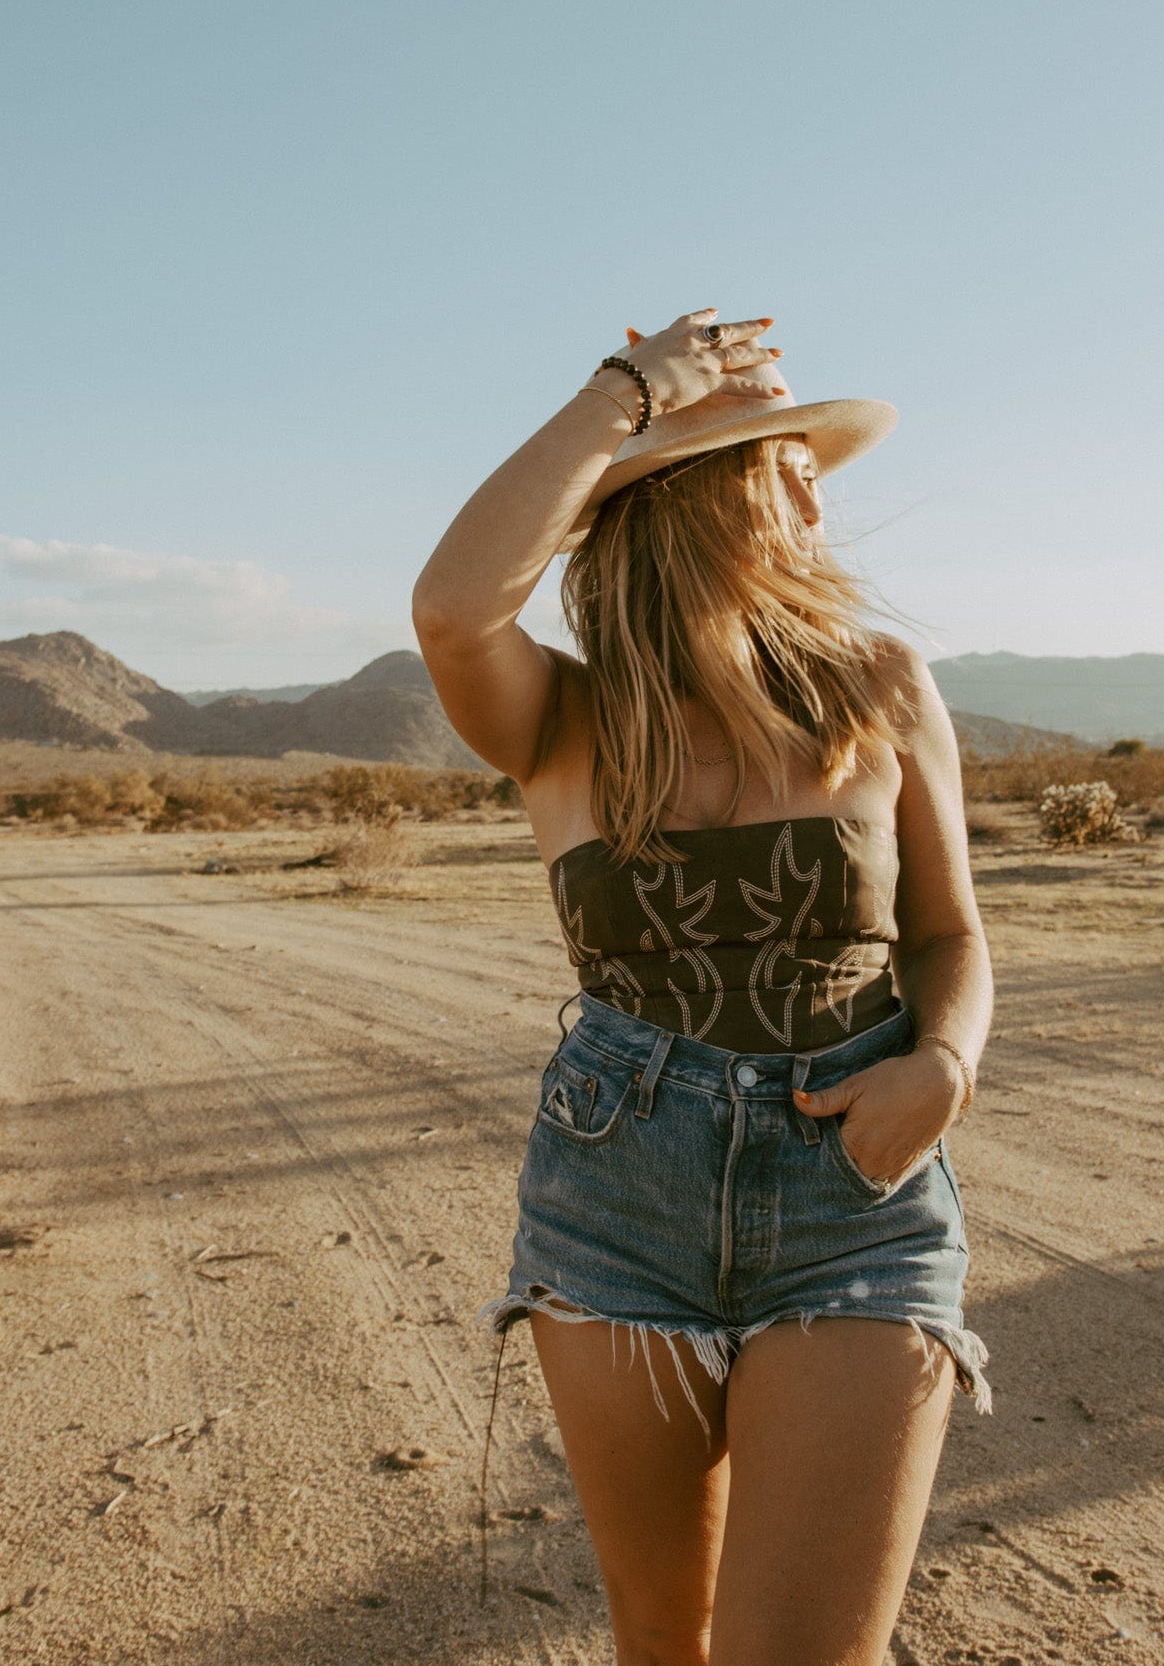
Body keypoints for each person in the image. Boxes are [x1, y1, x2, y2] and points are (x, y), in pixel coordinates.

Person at [413, 309, 993, 1666]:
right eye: (767, 457)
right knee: (663, 1640)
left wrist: (945, 1065)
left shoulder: (878, 685)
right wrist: (624, 392)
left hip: (849, 1195)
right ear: (679, 497)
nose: (806, 482)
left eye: (804, 455)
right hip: (618, 1195)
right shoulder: (557, 713)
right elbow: (450, 605)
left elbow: (948, 933)